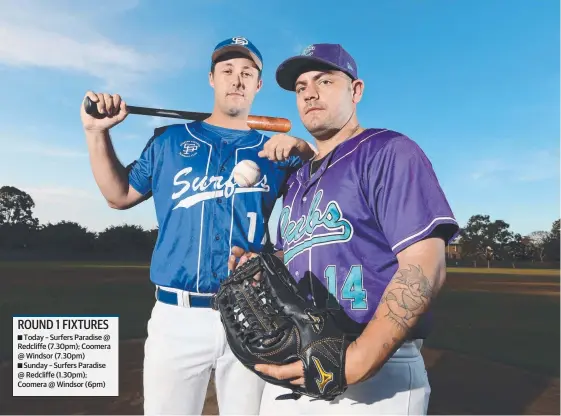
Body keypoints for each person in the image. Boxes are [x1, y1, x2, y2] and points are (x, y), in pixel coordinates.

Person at [80, 36, 316, 415]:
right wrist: (96, 133)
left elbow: (316, 223)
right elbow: (118, 195)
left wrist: (309, 153)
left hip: (254, 313)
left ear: (258, 85)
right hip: (177, 317)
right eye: (227, 71)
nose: (236, 80)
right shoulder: (169, 142)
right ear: (211, 79)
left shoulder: (276, 153)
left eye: (247, 73)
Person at [229, 43, 460, 415]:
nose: (310, 93)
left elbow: (426, 264)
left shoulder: (388, 151)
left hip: (374, 367)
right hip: (300, 357)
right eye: (301, 87)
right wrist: (264, 264)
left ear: (356, 91)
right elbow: (303, 251)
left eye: (324, 81)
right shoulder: (297, 178)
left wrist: (357, 361)